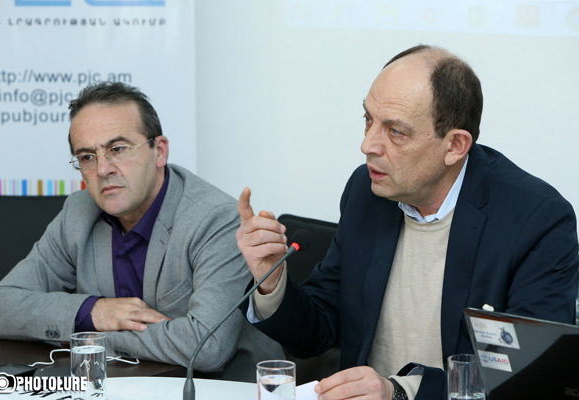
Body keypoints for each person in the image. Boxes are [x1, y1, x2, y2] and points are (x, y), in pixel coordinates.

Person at [236, 45, 579, 399]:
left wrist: (402, 392)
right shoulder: (367, 192)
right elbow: (318, 329)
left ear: (455, 145)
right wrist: (271, 281)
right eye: (368, 120)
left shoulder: (536, 219)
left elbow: (531, 378)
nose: (367, 145)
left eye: (395, 131)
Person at [0, 81, 282, 381]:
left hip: (219, 389)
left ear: (159, 151)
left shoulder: (214, 218)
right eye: (87, 157)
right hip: (119, 386)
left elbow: (206, 347)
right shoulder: (78, 212)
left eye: (117, 149)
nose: (103, 169)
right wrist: (93, 311)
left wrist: (89, 337)